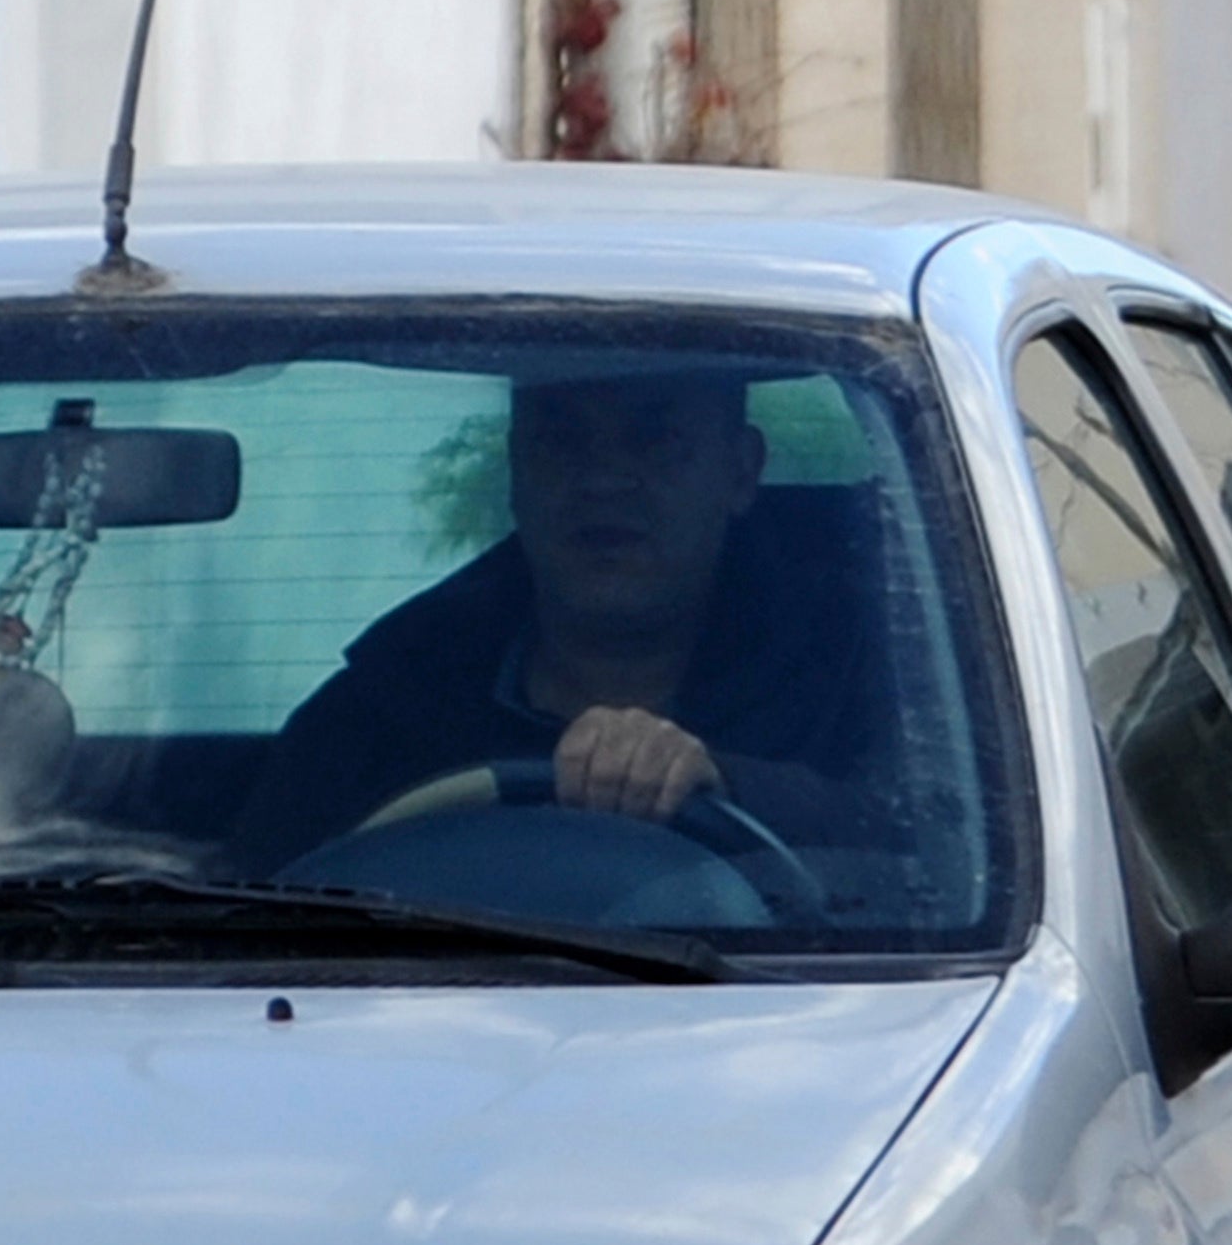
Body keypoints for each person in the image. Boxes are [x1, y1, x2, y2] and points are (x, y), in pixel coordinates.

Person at [225, 367, 919, 881]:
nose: (605, 480)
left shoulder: (883, 683)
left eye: (655, 439)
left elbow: (948, 858)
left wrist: (732, 787)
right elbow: (246, 927)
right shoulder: (381, 719)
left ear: (741, 472)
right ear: (516, 474)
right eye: (562, 440)